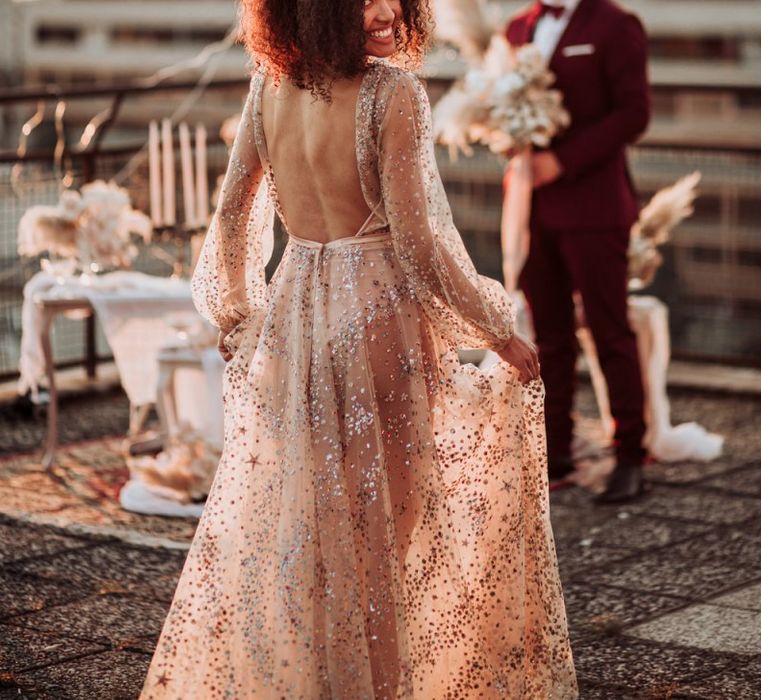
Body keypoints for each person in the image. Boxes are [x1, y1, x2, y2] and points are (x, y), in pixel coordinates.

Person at [140, 1, 577, 697]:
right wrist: (496, 330)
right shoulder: (393, 92)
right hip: (375, 317)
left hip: (294, 313)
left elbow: (229, 215)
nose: (385, 14)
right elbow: (417, 241)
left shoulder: (268, 83)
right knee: (381, 548)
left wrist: (236, 315)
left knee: (311, 531)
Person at [506, 0, 651, 503]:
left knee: (610, 330)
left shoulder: (615, 25)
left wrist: (561, 162)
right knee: (549, 337)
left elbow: (635, 114)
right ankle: (556, 449)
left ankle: (630, 455)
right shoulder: (518, 27)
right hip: (531, 210)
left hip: (594, 208)